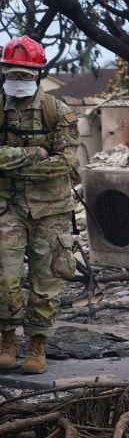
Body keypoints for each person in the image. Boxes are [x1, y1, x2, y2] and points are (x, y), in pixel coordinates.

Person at [0, 36, 78, 375]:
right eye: (12, 74)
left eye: (24, 75)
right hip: (8, 206)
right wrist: (35, 153)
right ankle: (6, 339)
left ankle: (36, 344)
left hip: (52, 210)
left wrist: (10, 160)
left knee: (47, 283)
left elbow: (68, 164)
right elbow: (49, 158)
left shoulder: (58, 112)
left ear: (37, 74)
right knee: (5, 278)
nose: (18, 81)